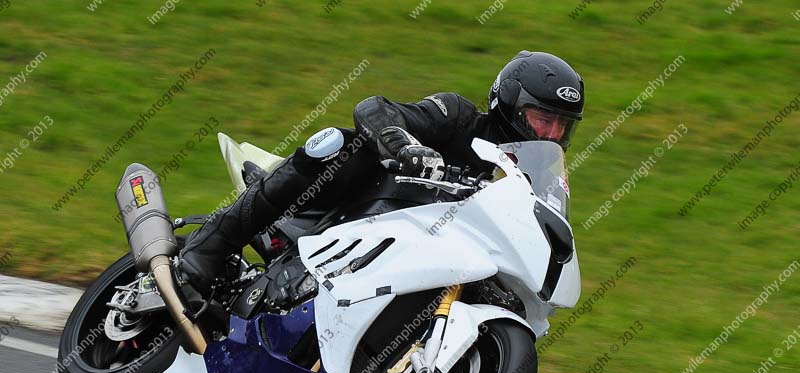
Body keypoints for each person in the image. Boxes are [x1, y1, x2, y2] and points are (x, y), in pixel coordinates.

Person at [178, 51, 585, 294]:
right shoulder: (458, 117)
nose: (550, 132)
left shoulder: (532, 179)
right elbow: (375, 109)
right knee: (340, 144)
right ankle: (209, 246)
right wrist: (405, 146)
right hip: (357, 211)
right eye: (541, 118)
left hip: (432, 256)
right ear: (511, 103)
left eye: (560, 125)